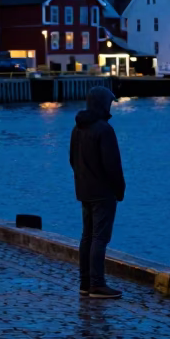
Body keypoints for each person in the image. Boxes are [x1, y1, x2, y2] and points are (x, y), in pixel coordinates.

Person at [70, 85, 125, 299]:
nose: (111, 106)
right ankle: (97, 284)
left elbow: (72, 160)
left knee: (87, 237)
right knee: (100, 238)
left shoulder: (78, 128)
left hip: (83, 190)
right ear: (103, 104)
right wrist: (119, 190)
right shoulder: (104, 129)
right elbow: (112, 166)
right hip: (103, 192)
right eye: (109, 103)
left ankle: (85, 282)